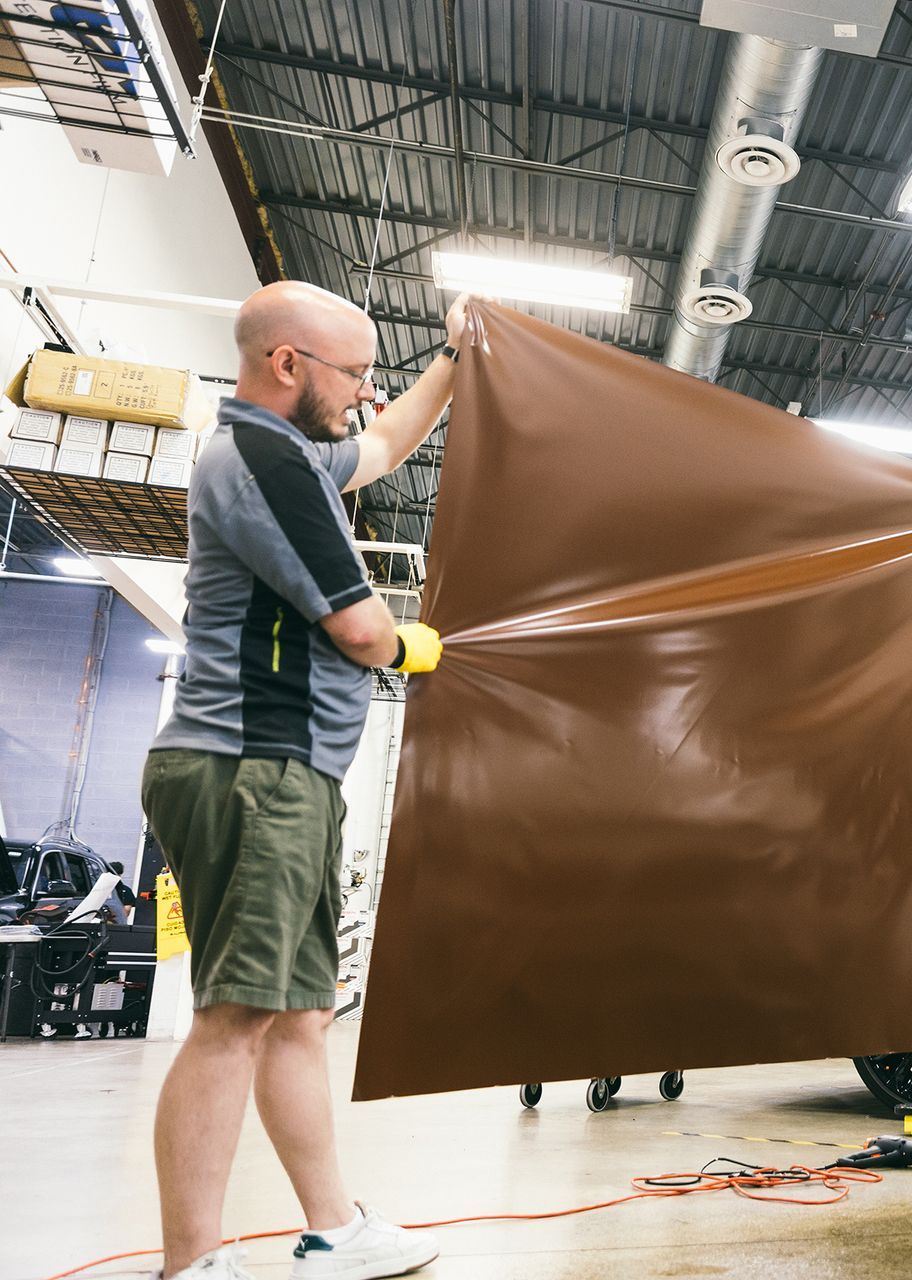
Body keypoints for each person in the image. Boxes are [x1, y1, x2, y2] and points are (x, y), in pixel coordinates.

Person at [139, 281, 472, 1280]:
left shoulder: (291, 451)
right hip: (251, 768)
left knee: (298, 1014)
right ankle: (192, 1263)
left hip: (290, 773)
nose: (370, 392)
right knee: (236, 1016)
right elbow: (363, 629)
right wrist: (411, 645)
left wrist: (453, 360)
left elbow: (387, 446)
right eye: (356, 373)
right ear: (287, 363)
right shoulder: (263, 459)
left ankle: (335, 1228)